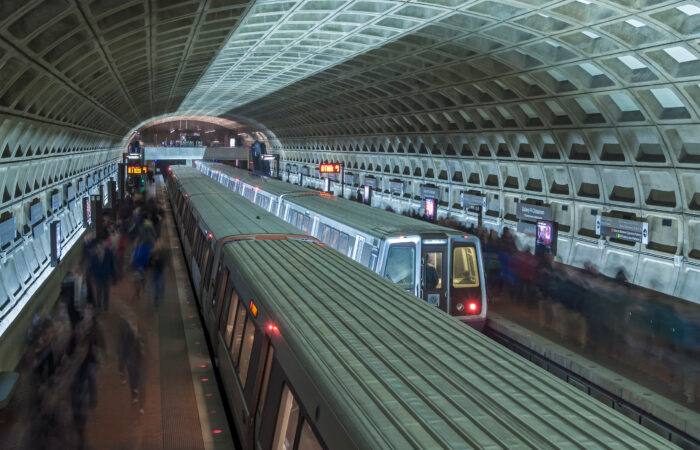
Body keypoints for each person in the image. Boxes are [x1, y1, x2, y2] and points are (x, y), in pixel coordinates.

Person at [89, 238, 115, 312]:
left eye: (101, 246)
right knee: (99, 292)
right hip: (98, 277)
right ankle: (99, 306)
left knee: (106, 292)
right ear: (97, 247)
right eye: (98, 246)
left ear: (103, 246)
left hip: (106, 276)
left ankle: (105, 307)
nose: (100, 248)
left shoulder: (109, 253)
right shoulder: (93, 255)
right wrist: (92, 276)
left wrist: (113, 276)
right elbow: (91, 266)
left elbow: (112, 264)